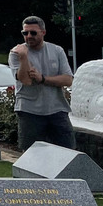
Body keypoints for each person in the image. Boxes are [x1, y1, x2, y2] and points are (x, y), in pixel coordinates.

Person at [8, 16, 75, 151]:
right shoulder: (16, 53)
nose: (28, 36)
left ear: (43, 32)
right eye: (25, 33)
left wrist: (42, 78)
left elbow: (68, 80)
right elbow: (25, 80)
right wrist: (24, 57)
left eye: (33, 33)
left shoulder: (57, 51)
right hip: (29, 112)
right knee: (32, 156)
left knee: (68, 153)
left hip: (57, 110)